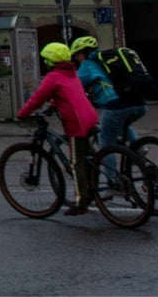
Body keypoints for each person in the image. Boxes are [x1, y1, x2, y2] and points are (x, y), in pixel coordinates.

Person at [18, 42, 98, 215]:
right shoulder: (71, 73)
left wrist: (22, 114)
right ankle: (93, 183)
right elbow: (65, 93)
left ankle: (81, 202)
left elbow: (37, 99)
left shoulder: (53, 77)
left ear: (49, 61)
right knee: (87, 157)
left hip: (76, 123)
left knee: (76, 162)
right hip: (90, 117)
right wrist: (53, 105)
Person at [72, 35, 146, 179]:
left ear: (83, 52)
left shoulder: (88, 64)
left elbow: (75, 86)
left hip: (116, 105)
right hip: (140, 103)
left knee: (106, 144)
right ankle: (139, 148)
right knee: (122, 123)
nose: (76, 59)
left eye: (77, 55)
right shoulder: (109, 60)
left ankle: (112, 183)